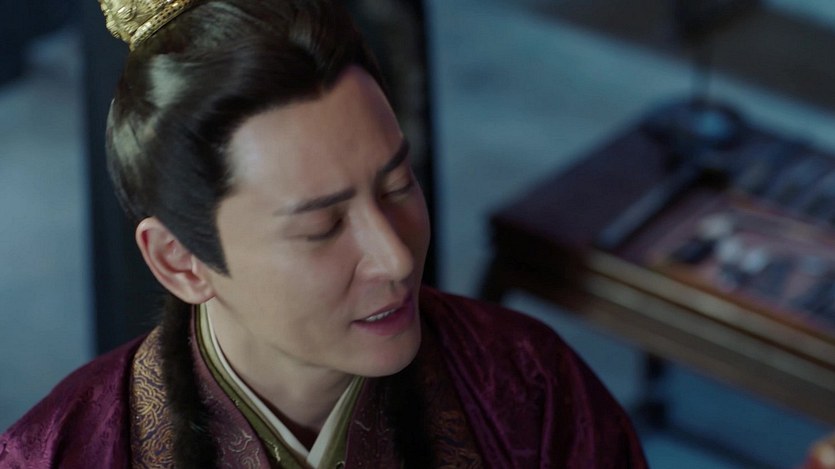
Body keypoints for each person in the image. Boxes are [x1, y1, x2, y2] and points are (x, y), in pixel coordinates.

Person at [0, 0, 647, 467]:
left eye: (397, 186)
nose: (395, 258)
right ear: (181, 260)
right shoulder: (54, 453)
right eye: (321, 226)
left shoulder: (529, 387)